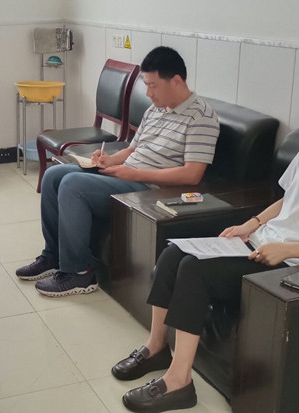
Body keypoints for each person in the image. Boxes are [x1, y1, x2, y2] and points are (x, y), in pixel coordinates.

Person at [112, 67, 299, 412]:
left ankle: (179, 382)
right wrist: (252, 223)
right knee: (174, 255)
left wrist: (289, 248)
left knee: (194, 271)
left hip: (295, 264)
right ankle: (157, 347)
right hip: (262, 243)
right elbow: (290, 199)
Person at [15, 46, 220, 297]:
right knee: (53, 176)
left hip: (150, 188)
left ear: (176, 81)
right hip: (128, 174)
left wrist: (134, 174)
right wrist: (109, 160)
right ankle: (52, 256)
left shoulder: (202, 117)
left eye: (153, 86)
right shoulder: (156, 108)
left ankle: (79, 273)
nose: (148, 93)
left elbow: (192, 174)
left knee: (72, 185)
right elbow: (133, 148)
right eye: (146, 85)